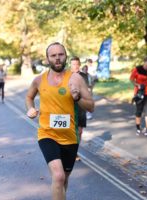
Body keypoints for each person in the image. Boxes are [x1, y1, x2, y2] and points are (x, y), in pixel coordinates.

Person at [26, 42, 94, 200]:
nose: (57, 58)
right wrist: (30, 108)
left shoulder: (75, 79)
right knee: (58, 176)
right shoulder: (39, 80)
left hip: (70, 137)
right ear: (47, 58)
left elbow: (91, 106)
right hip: (47, 134)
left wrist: (77, 98)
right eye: (53, 55)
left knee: (63, 180)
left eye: (60, 55)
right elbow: (29, 97)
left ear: (66, 56)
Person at [130, 56, 147, 137]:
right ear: (144, 62)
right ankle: (138, 127)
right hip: (139, 93)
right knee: (139, 111)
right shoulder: (137, 69)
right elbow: (131, 79)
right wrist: (138, 85)